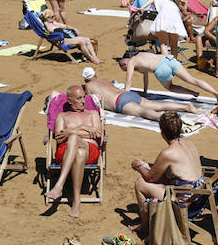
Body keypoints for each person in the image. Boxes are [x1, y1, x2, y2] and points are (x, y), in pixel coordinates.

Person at [129, 112, 204, 234]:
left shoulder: (168, 153)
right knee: (161, 176)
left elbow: (150, 178)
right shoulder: (189, 142)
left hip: (186, 202)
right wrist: (147, 167)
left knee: (140, 183)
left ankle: (145, 226)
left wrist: (138, 166)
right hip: (199, 196)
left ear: (162, 133)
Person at [44, 85, 104, 217]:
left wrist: (70, 131)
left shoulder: (93, 114)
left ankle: (59, 186)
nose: (83, 101)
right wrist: (84, 129)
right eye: (79, 98)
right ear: (70, 100)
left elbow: (98, 134)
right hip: (66, 152)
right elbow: (59, 138)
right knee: (79, 152)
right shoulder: (62, 116)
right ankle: (76, 202)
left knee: (73, 138)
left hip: (90, 150)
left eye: (83, 97)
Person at [82, 67, 198, 120]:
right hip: (127, 94)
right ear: (95, 74)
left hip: (119, 102)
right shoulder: (104, 80)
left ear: (85, 79)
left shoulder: (89, 86)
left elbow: (89, 102)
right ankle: (185, 107)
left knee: (143, 112)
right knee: (158, 105)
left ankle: (165, 120)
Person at [120, 51, 218, 102]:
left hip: (161, 68)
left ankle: (192, 93)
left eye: (125, 69)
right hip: (169, 59)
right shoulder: (140, 55)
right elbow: (145, 76)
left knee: (170, 87)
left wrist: (125, 95)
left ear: (124, 64)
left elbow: (128, 80)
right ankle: (217, 94)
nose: (127, 71)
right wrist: (145, 91)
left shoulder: (132, 62)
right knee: (192, 80)